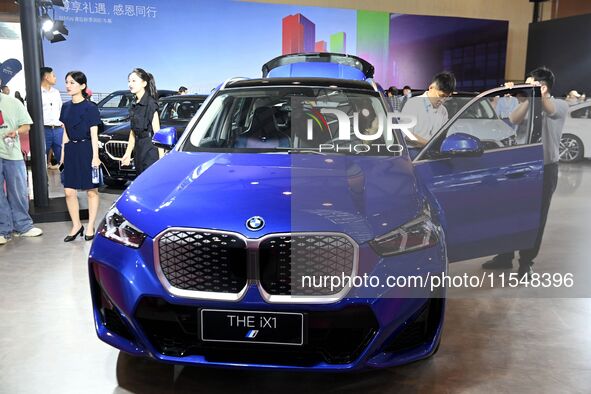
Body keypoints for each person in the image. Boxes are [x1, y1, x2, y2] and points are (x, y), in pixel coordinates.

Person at [482, 67, 568, 278]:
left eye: (529, 84)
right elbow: (513, 119)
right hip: (519, 168)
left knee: (537, 217)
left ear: (543, 87)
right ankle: (504, 255)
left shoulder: (559, 104)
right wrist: (528, 98)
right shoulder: (527, 104)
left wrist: (535, 94)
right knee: (510, 212)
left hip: (545, 169)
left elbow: (549, 110)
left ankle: (526, 262)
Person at [0, 77, 43, 245]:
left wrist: (15, 132)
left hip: (13, 154)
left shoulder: (13, 103)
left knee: (18, 191)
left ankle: (23, 226)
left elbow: (27, 125)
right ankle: (3, 230)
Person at [59, 71, 101, 242]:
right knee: (69, 192)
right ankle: (76, 225)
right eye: (67, 82)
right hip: (71, 151)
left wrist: (96, 157)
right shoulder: (65, 107)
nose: (68, 86)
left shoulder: (90, 108)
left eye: (72, 83)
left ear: (83, 86)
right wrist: (62, 154)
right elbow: (65, 133)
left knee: (91, 191)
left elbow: (94, 134)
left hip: (87, 150)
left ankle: (90, 225)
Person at [121, 68, 161, 174]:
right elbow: (133, 131)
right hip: (139, 149)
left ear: (144, 83)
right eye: (129, 81)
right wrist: (128, 153)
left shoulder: (151, 104)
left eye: (134, 81)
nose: (130, 84)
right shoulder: (134, 104)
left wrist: (161, 159)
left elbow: (158, 133)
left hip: (150, 149)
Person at [400, 72, 455, 146]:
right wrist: (429, 145)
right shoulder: (413, 104)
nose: (442, 100)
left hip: (433, 153)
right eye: (441, 95)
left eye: (446, 97)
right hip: (413, 152)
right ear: (431, 87)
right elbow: (405, 134)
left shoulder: (443, 111)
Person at [41, 67, 64, 170]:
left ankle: (67, 184)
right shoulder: (37, 92)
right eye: (53, 76)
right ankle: (43, 185)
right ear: (46, 77)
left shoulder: (56, 92)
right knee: (41, 158)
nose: (55, 78)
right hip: (44, 129)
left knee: (63, 158)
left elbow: (60, 109)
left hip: (58, 129)